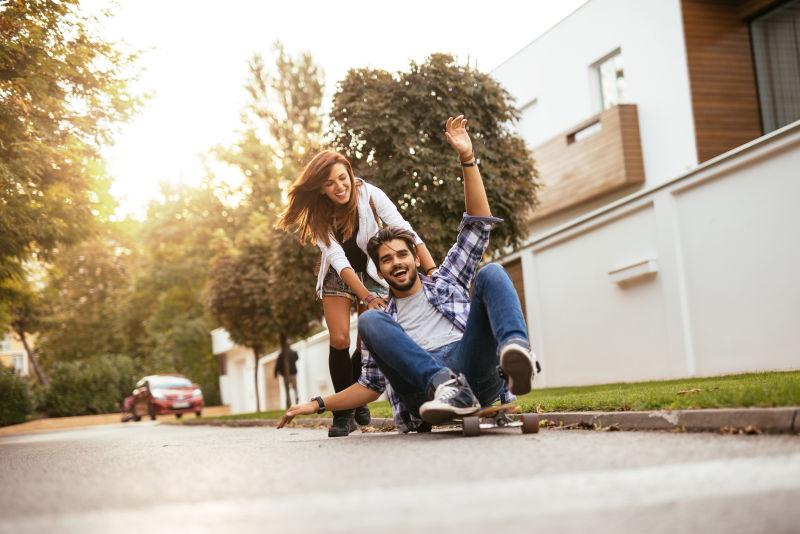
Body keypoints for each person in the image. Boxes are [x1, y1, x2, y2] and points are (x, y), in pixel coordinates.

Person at [278, 115, 538, 433]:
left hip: (472, 370)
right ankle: (445, 387)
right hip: (424, 386)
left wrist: (467, 159)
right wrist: (318, 404)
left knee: (492, 272)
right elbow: (370, 387)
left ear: (415, 256)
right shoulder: (383, 318)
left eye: (402, 254)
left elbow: (478, 224)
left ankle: (516, 350)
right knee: (364, 325)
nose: (396, 263)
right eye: (386, 260)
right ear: (380, 271)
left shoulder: (445, 280)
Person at [276, 149, 437, 437]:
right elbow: (338, 259)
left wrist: (432, 271)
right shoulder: (317, 215)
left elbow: (405, 229)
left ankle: (355, 394)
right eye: (330, 183)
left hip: (372, 272)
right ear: (321, 189)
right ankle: (342, 416)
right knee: (339, 338)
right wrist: (366, 296)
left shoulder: (371, 195)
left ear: (350, 174)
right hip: (339, 275)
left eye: (342, 178)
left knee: (367, 343)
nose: (339, 187)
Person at [273, 339, 299, 408]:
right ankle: (296, 397)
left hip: (285, 375)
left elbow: (277, 365)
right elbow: (297, 358)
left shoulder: (281, 354)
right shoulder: (294, 352)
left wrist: (275, 373)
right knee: (295, 387)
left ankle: (289, 402)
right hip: (293, 373)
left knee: (287, 389)